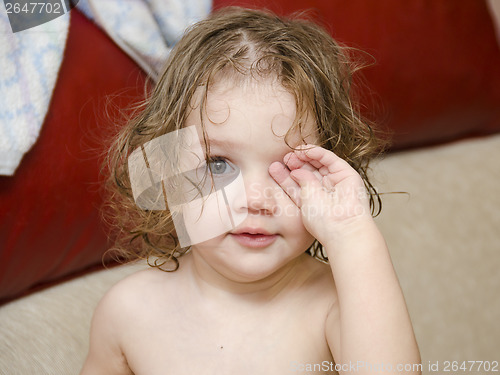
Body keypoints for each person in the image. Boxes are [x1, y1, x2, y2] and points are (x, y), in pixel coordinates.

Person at [80, 7, 421, 375]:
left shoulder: (333, 305)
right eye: (218, 164)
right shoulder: (128, 312)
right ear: (166, 170)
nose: (257, 200)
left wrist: (352, 235)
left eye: (290, 167)